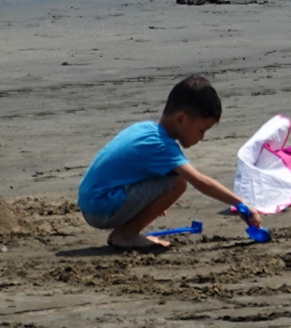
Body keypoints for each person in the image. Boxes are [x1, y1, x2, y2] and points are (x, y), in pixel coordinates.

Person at [77, 75, 261, 252]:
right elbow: (199, 181)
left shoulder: (146, 129)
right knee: (177, 183)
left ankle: (126, 232)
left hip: (92, 201)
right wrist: (241, 203)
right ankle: (126, 235)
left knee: (168, 178)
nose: (202, 137)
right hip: (101, 208)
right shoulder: (161, 145)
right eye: (201, 130)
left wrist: (152, 202)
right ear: (180, 119)